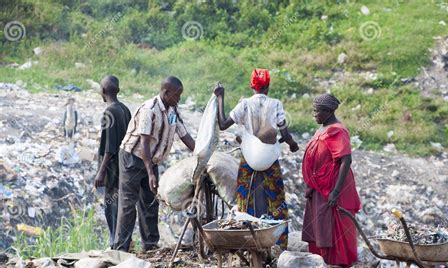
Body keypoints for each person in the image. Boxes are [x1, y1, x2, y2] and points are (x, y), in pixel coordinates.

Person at [213, 69, 299, 248]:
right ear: (268, 85)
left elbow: (222, 124)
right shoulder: (276, 104)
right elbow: (285, 133)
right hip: (269, 159)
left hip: (249, 158)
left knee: (244, 196)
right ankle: (279, 242)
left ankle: (245, 237)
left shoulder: (244, 104)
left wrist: (220, 97)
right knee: (276, 198)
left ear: (252, 86)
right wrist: (292, 144)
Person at [113, 76, 195, 252]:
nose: (179, 99)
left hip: (151, 160)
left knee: (150, 202)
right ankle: (121, 248)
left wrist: (201, 153)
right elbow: (144, 144)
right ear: (166, 93)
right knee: (128, 204)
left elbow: (184, 135)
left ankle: (150, 245)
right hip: (133, 158)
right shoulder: (149, 109)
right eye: (177, 95)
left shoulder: (173, 111)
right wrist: (150, 173)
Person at [302, 94, 361, 268]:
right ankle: (321, 261)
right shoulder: (321, 129)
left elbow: (346, 160)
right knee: (319, 223)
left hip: (334, 185)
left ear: (327, 112)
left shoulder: (338, 131)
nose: (314, 114)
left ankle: (338, 262)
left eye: (317, 111)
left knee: (334, 223)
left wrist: (335, 191)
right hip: (319, 185)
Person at [94, 75, 131, 248]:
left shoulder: (109, 112)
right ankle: (122, 241)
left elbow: (109, 147)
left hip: (112, 168)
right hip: (124, 164)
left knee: (111, 205)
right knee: (120, 204)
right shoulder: (124, 109)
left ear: (102, 91)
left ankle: (115, 243)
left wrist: (101, 171)